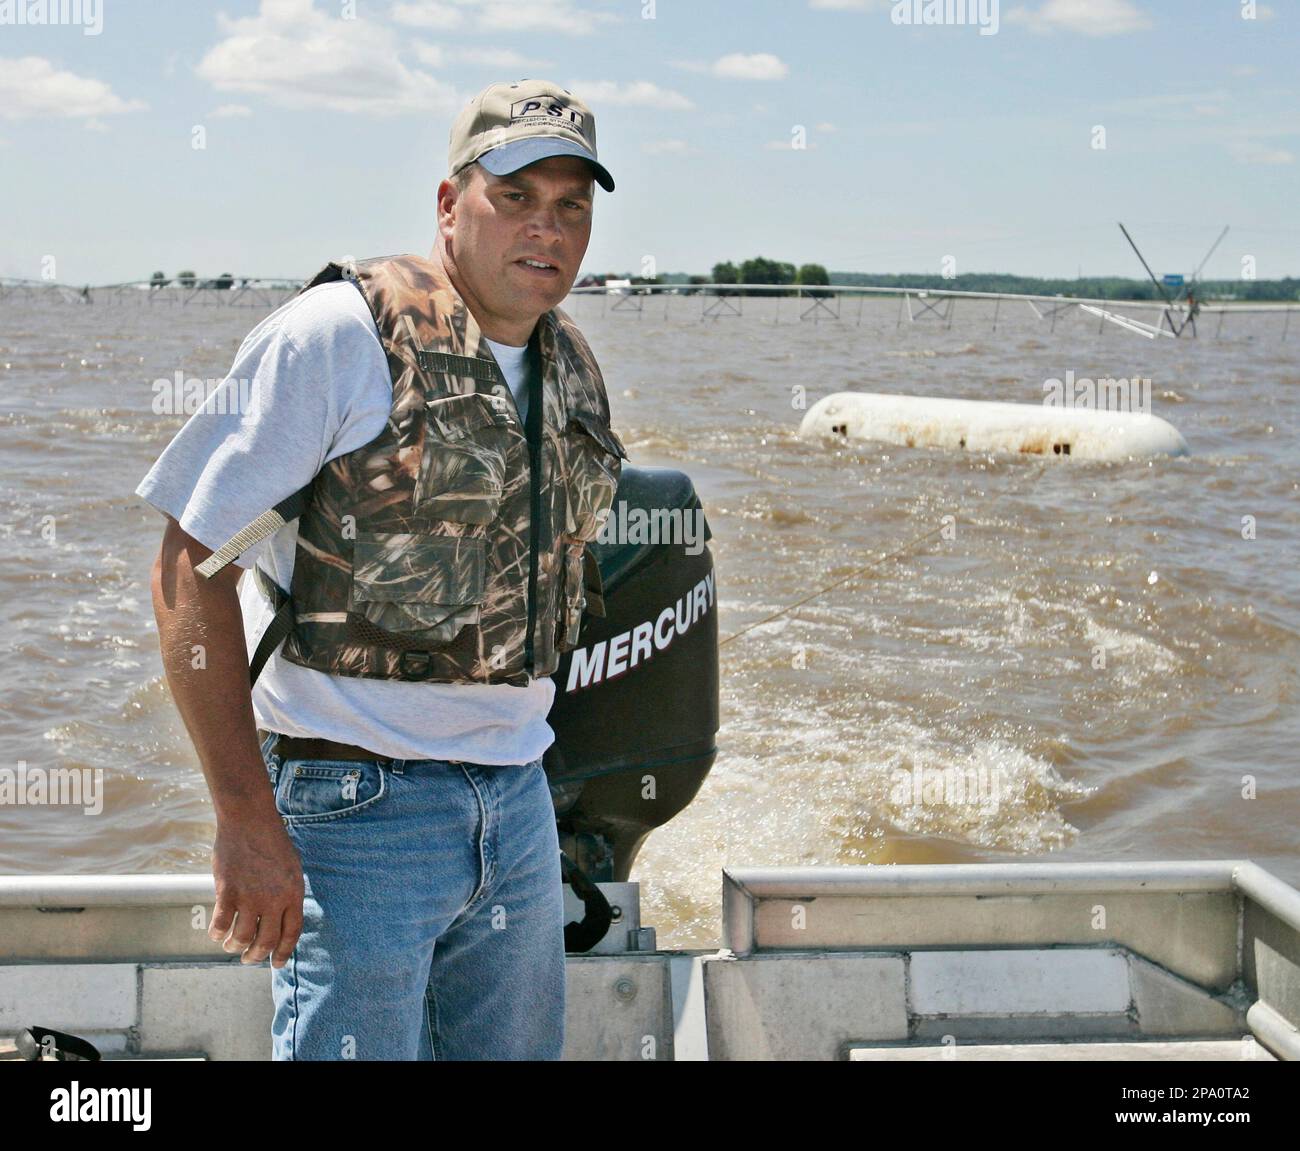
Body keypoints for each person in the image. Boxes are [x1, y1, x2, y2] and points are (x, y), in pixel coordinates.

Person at [138, 79, 625, 1060]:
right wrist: (242, 815)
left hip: (519, 806)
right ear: (450, 204)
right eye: (517, 196)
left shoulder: (570, 360)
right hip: (356, 812)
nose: (548, 228)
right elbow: (189, 560)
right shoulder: (336, 337)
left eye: (572, 204)